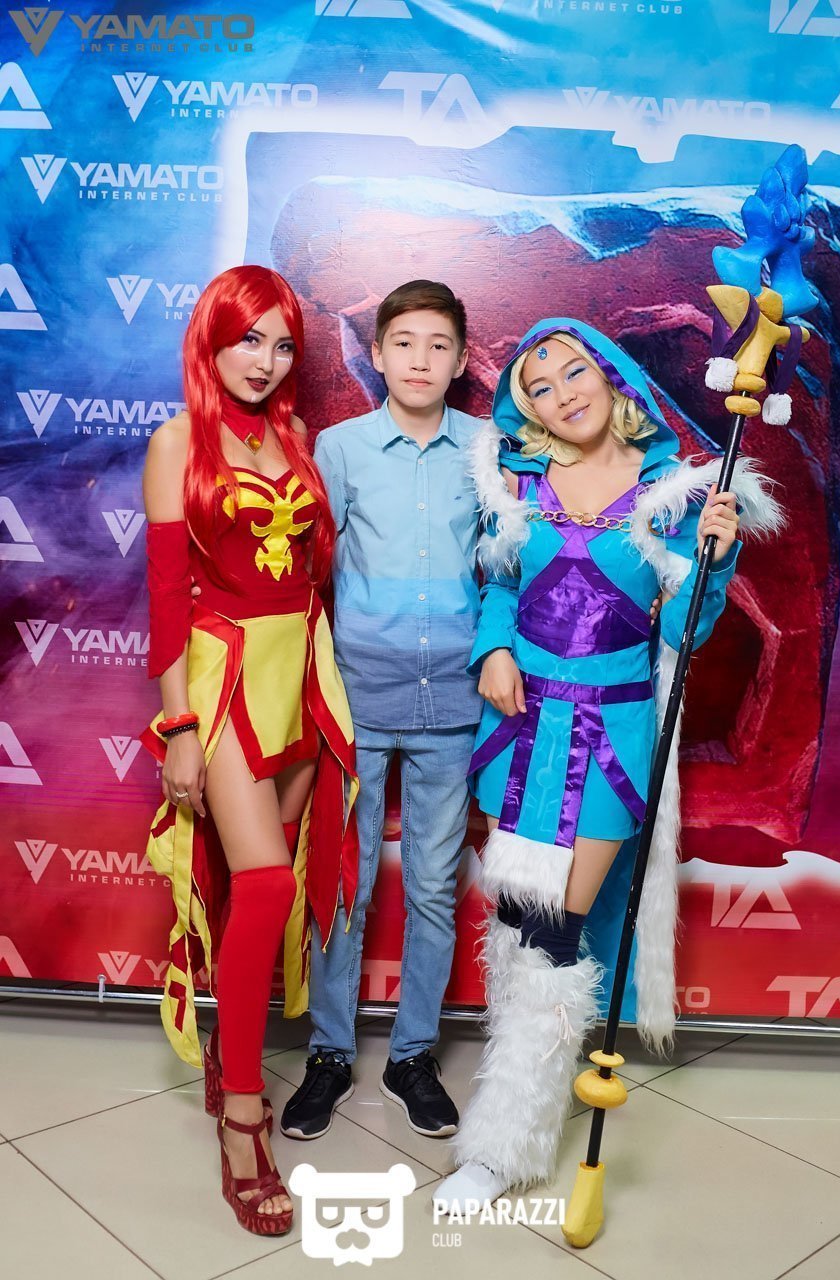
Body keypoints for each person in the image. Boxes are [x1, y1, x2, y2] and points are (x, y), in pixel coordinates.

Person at [434, 317, 782, 1208]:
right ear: (526, 409)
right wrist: (492, 648)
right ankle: (517, 1100)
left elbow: (685, 632)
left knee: (554, 930)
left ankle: (503, 1150)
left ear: (611, 376)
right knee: (516, 919)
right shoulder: (515, 482)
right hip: (519, 731)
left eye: (573, 371)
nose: (561, 393)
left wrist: (713, 560)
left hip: (610, 740)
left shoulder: (672, 495)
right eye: (538, 386)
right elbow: (498, 584)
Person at [140, 265, 358, 1236]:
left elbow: (312, 568)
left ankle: (232, 1053)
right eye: (247, 340)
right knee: (265, 882)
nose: (265, 361)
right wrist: (179, 726)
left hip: (300, 668)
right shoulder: (176, 441)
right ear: (211, 340)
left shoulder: (295, 434)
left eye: (281, 344)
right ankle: (241, 1117)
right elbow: (162, 602)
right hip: (222, 674)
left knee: (253, 888)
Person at [279, 280, 483, 1142]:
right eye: (403, 343)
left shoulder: (489, 449)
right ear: (376, 354)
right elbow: (307, 569)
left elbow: (508, 562)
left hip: (457, 700)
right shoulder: (340, 447)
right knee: (344, 885)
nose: (419, 360)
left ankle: (413, 1056)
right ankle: (329, 1052)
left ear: (462, 360)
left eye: (438, 345)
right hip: (357, 697)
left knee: (433, 888)